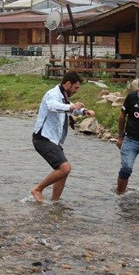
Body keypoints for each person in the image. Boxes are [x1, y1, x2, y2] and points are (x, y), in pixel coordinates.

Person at [30, 71, 95, 203]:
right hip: (42, 138)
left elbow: (69, 107)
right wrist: (72, 106)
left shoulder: (63, 96)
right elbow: (54, 106)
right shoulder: (52, 94)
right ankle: (37, 189)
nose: (76, 90)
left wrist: (84, 111)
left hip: (52, 140)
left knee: (63, 172)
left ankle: (55, 202)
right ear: (67, 84)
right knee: (65, 168)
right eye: (76, 87)